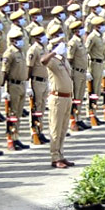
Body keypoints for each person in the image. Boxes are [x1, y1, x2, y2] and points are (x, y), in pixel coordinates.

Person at [41, 30, 74, 169]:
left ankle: (60, 154)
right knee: (55, 129)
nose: (63, 46)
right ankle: (55, 157)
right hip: (57, 98)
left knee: (63, 129)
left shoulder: (63, 60)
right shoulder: (52, 61)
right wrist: (54, 52)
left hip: (67, 98)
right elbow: (43, 61)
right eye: (59, 44)